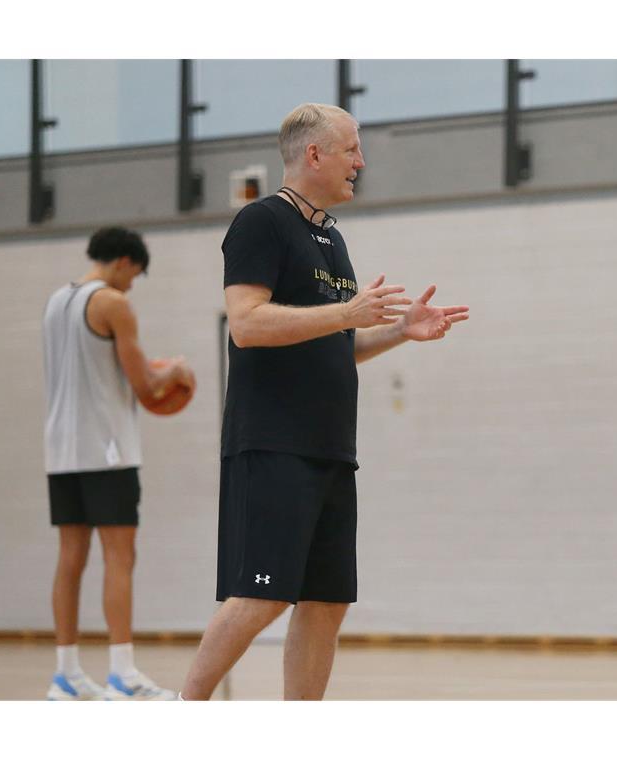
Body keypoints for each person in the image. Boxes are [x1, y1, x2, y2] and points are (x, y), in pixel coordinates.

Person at [180, 104, 469, 701]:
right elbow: (247, 324)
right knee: (262, 595)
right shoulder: (261, 222)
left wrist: (396, 330)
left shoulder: (331, 237)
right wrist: (346, 312)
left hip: (331, 448)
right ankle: (185, 709)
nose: (360, 162)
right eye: (352, 149)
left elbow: (335, 341)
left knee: (327, 600)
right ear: (314, 155)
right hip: (273, 442)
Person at [43, 227, 195, 700]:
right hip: (107, 451)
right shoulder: (113, 303)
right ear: (125, 262)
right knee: (119, 557)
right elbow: (145, 387)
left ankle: (65, 674)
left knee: (70, 559)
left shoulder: (54, 302)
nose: (132, 285)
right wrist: (177, 371)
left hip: (61, 451)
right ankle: (122, 674)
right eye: (135, 275)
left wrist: (153, 369)